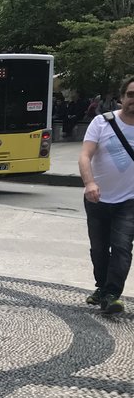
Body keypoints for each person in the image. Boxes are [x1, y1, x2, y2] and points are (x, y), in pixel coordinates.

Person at [78, 75, 134, 314]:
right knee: (98, 249)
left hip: (129, 201)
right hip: (97, 198)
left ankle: (112, 294)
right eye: (130, 95)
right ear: (121, 98)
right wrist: (89, 182)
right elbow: (85, 155)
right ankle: (102, 287)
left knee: (121, 247)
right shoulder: (102, 122)